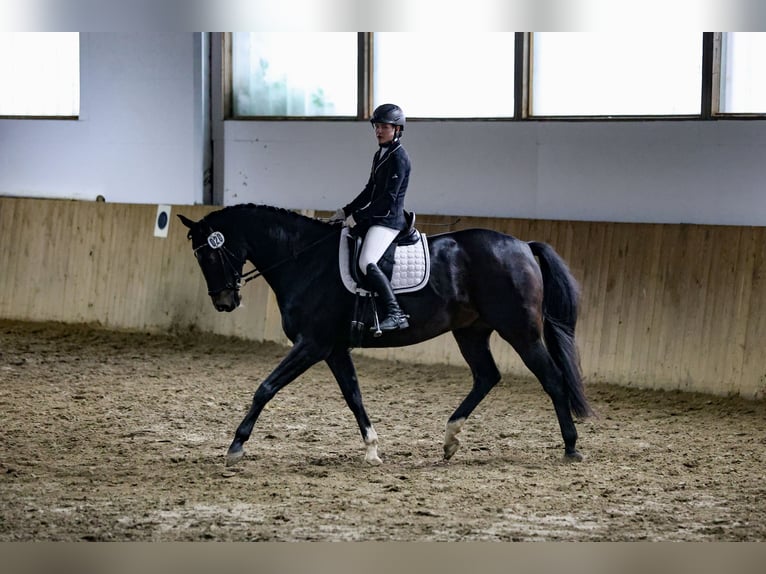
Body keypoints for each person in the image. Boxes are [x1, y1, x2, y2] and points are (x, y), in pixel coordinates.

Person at [331, 103, 411, 334]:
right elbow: (370, 190)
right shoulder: (380, 154)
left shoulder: (399, 158)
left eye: (385, 127)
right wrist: (346, 211)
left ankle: (395, 313)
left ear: (397, 130)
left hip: (388, 219)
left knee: (367, 262)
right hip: (375, 217)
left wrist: (359, 216)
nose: (379, 131)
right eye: (377, 126)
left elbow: (387, 199)